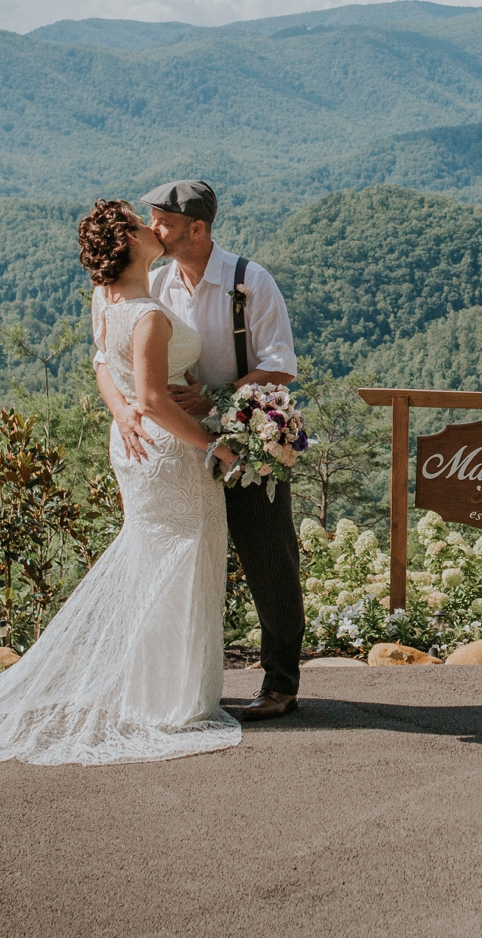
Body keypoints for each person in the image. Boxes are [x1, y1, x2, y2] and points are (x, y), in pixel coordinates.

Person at [0, 200, 242, 765]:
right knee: (182, 560)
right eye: (138, 221)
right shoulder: (147, 313)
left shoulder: (107, 298)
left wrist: (119, 410)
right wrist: (213, 444)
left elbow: (106, 364)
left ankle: (158, 692)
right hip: (169, 451)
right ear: (127, 241)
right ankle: (173, 700)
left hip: (134, 446)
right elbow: (152, 399)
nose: (153, 226)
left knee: (156, 561)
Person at [95, 179, 305, 722]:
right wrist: (123, 411)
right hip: (180, 454)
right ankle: (173, 683)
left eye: (160, 221)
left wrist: (216, 396)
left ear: (198, 228)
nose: (151, 230)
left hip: (245, 443)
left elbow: (281, 365)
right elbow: (109, 355)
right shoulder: (155, 283)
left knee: (269, 561)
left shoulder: (249, 282)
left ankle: (280, 684)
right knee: (183, 565)